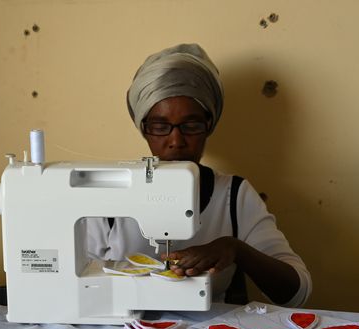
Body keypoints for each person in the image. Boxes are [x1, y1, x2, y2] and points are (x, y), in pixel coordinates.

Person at [85, 44, 311, 306]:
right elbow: (74, 279)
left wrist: (236, 250)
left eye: (191, 126)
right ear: (144, 129)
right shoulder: (110, 196)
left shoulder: (234, 196)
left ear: (208, 126)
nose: (176, 140)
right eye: (160, 126)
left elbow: (297, 292)